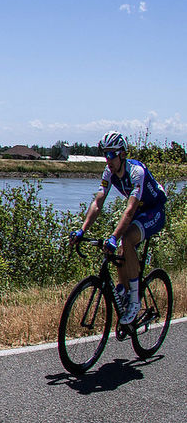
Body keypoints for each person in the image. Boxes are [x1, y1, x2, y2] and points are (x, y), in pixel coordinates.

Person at [69, 130, 168, 326]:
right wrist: (82, 230)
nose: (108, 159)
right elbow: (98, 203)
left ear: (122, 154)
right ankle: (123, 289)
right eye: (105, 153)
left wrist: (114, 236)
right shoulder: (109, 173)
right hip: (140, 210)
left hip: (154, 210)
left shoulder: (136, 172)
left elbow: (129, 211)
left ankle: (134, 301)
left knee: (125, 238)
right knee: (119, 252)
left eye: (112, 154)